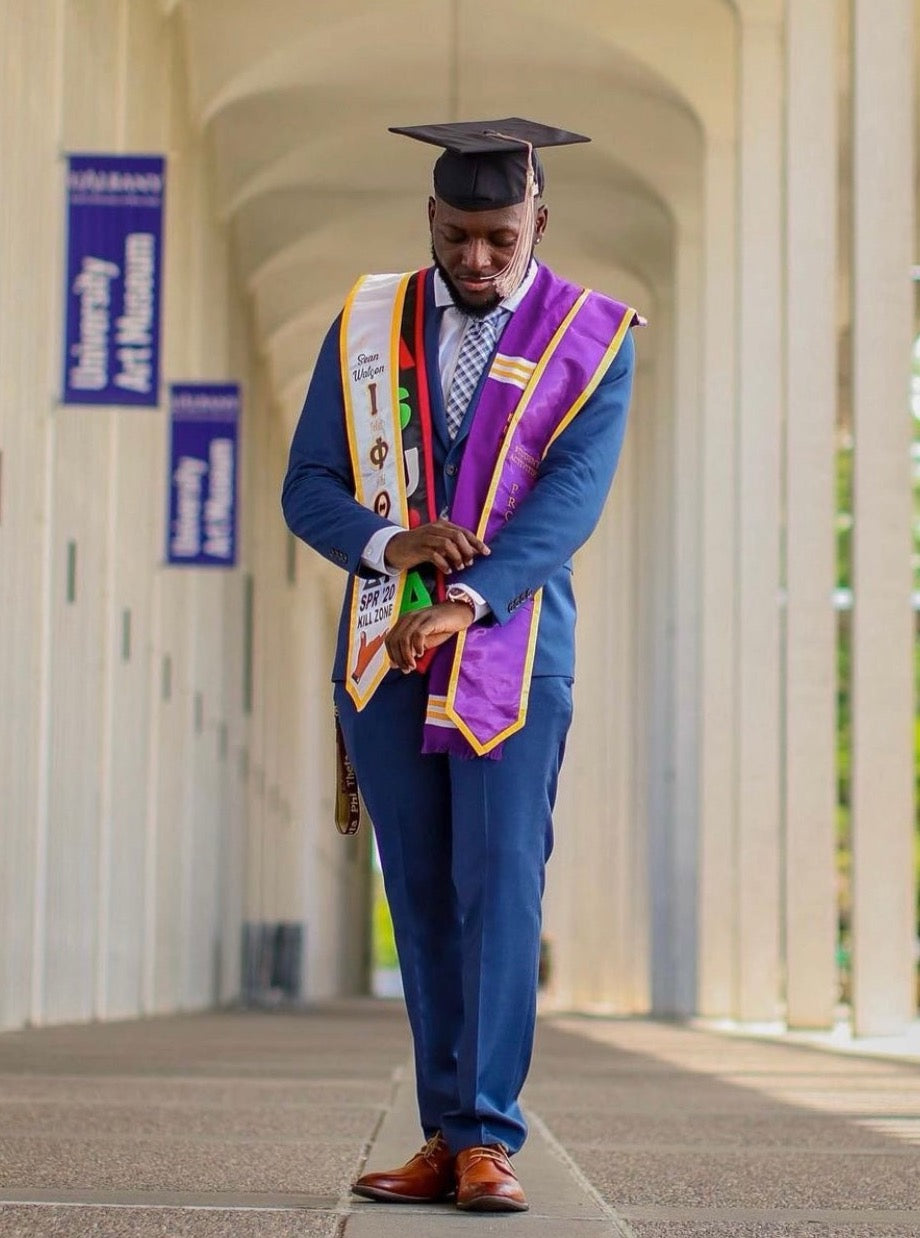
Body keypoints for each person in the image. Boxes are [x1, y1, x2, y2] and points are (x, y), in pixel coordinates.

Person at [282, 117, 640, 1213]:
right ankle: (442, 1135)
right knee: (421, 894)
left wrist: (470, 600)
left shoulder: (594, 334)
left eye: (496, 235)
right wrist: (392, 547)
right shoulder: (363, 323)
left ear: (538, 217)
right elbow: (309, 485)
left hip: (512, 652)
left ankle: (488, 1135)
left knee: (498, 883)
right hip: (386, 648)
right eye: (454, 235)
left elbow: (567, 504)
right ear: (428, 220)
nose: (474, 259)